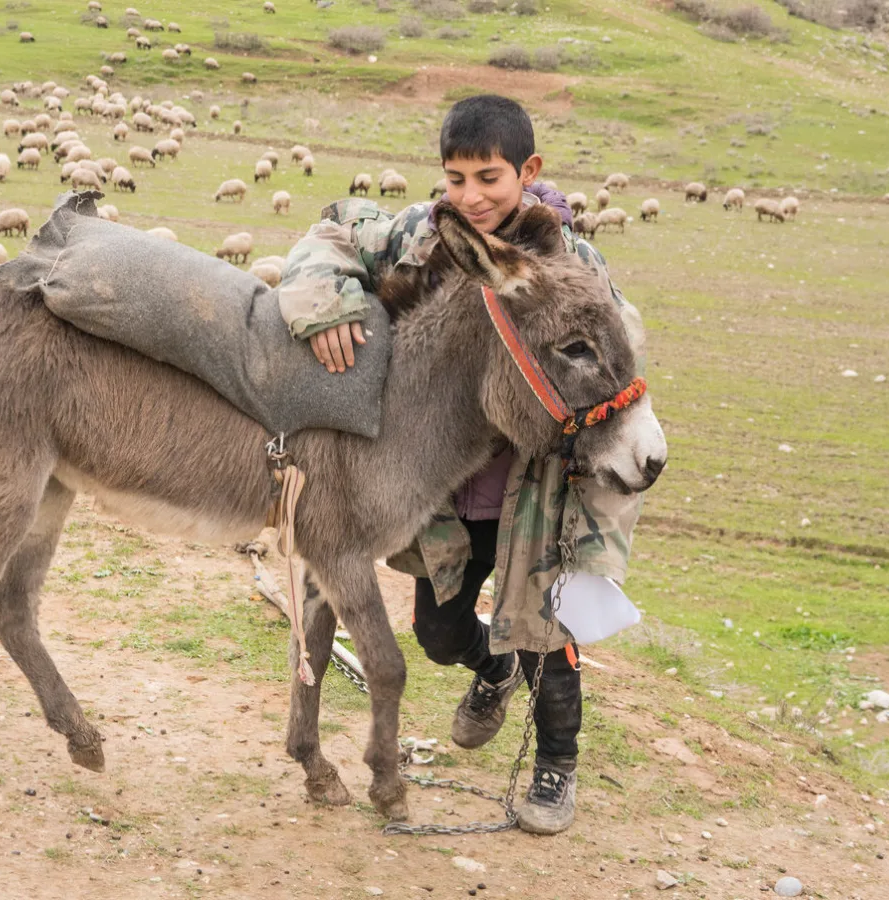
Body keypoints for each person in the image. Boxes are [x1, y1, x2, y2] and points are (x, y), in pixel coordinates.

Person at [272, 94, 645, 835]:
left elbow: (615, 351)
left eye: (490, 178)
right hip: (439, 490)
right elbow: (330, 233)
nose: (471, 196)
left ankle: (554, 768)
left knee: (545, 630)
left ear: (528, 172)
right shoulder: (423, 234)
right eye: (456, 177)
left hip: (532, 490)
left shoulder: (575, 261)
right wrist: (324, 305)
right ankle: (489, 669)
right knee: (441, 635)